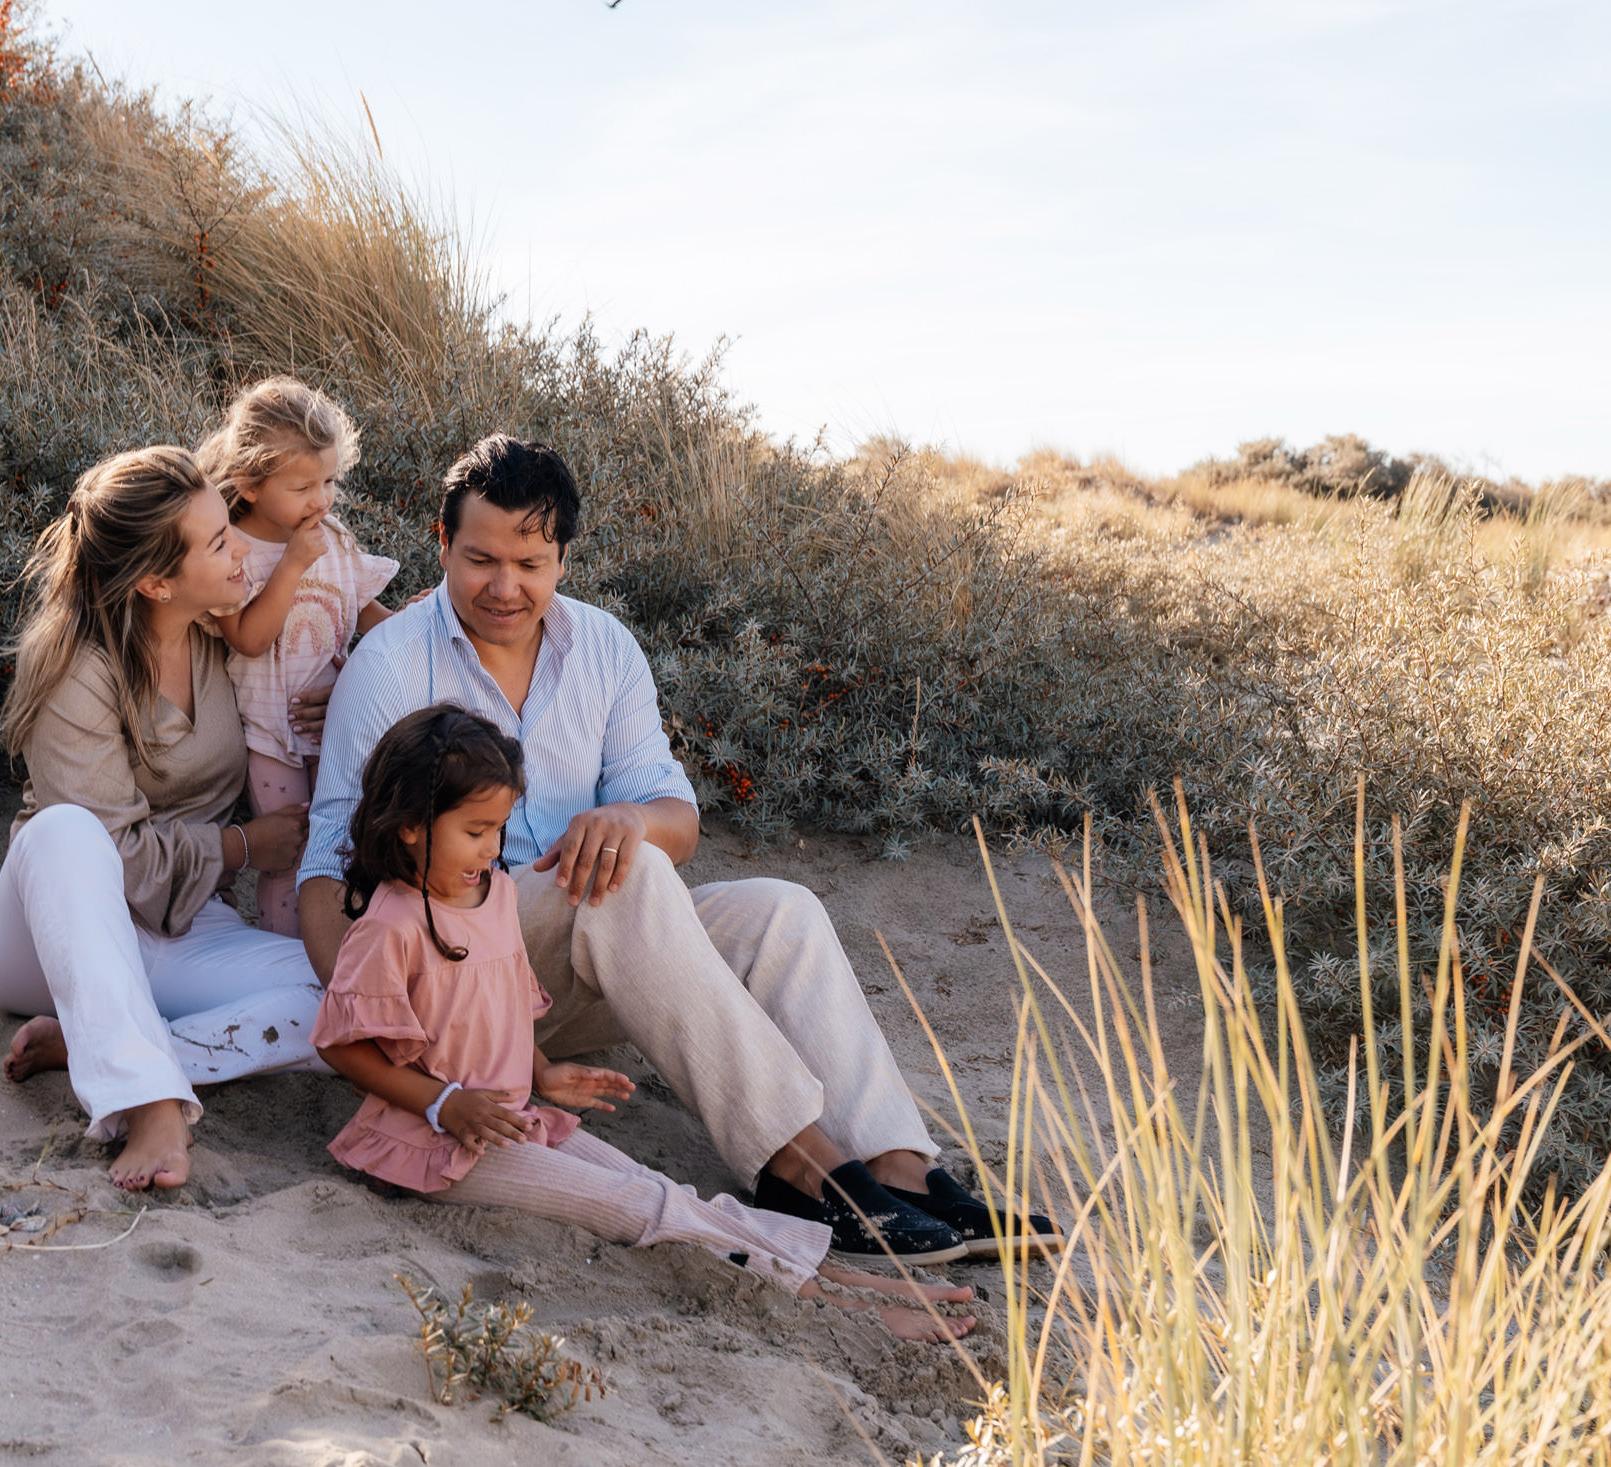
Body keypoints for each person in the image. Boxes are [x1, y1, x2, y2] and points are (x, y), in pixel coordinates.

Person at [300, 434, 1061, 1261]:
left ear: (562, 557)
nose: (506, 586)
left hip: (575, 974)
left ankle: (901, 1168)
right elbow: (323, 866)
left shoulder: (604, 647)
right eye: (481, 558)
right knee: (624, 882)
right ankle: (806, 1171)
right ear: (442, 544)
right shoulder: (389, 665)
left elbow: (678, 817)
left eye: (532, 562)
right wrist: (389, 1026)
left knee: (781, 909)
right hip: (454, 972)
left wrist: (631, 817)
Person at [313, 706, 978, 1341]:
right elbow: (344, 1047)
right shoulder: (391, 925)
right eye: (475, 830)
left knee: (656, 1185)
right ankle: (836, 1306)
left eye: (497, 829)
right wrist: (445, 1103)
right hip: (432, 1146)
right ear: (409, 825)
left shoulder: (497, 895)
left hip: (511, 1115)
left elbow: (504, 1002)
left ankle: (827, 1269)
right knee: (634, 1205)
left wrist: (544, 1071)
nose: (492, 849)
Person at [0, 445, 330, 1192]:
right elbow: (116, 855)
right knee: (65, 831)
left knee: (352, 998)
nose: (240, 554)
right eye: (220, 543)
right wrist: (239, 846)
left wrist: (340, 676)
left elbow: (318, 623)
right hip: (53, 932)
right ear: (158, 581)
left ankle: (111, 1041)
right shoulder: (78, 670)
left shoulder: (218, 632)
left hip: (184, 924)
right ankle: (146, 1099)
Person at [195, 378, 400, 937]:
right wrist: (289, 565)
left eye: (329, 481)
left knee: (346, 836)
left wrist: (412, 629)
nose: (322, 499)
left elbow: (363, 610)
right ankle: (284, 952)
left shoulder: (331, 536)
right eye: (303, 485)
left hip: (339, 723)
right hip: (271, 735)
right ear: (250, 485)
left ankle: (344, 943)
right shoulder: (234, 549)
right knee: (288, 846)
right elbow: (247, 638)